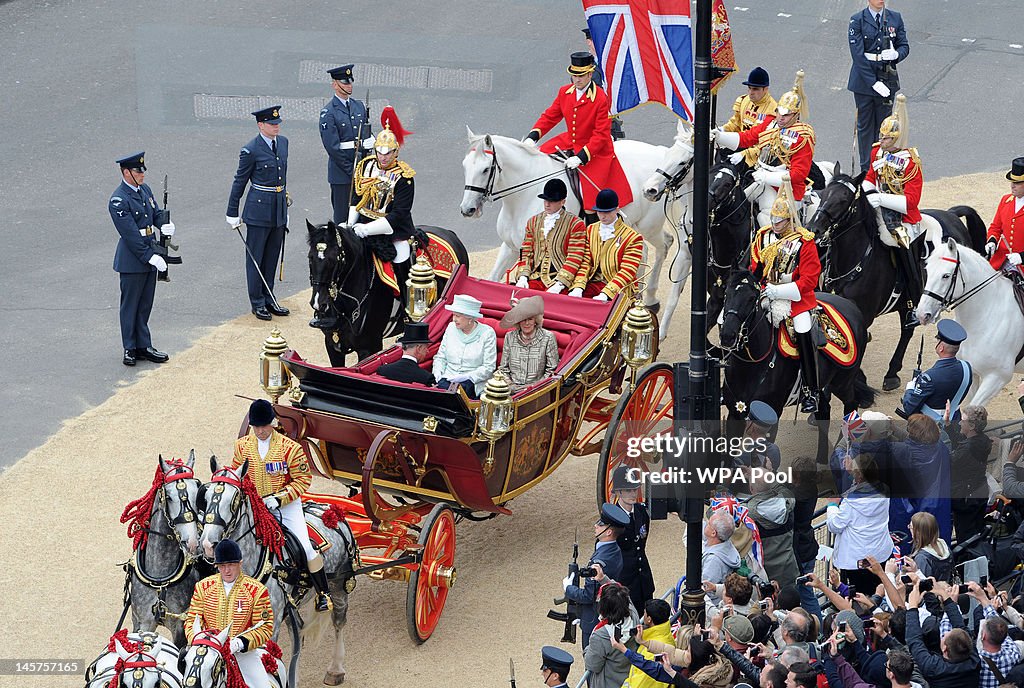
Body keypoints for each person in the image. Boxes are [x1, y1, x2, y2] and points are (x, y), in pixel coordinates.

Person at [233, 399, 331, 612]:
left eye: (264, 426)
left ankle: (324, 593)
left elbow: (303, 479)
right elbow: (237, 474)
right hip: (254, 504)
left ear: (273, 423)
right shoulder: (242, 446)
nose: (260, 431)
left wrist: (279, 498)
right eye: (256, 427)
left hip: (285, 505)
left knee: (305, 547)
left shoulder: (290, 449)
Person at [524, 52, 633, 214]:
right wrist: (533, 136)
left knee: (589, 198)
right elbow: (550, 116)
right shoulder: (565, 92)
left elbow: (601, 135)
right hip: (569, 141)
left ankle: (591, 226)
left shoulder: (600, 98)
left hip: (595, 150)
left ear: (590, 74)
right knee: (539, 160)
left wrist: (581, 157)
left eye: (581, 76)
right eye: (574, 76)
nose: (577, 80)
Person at [748, 180, 822, 412]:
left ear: (790, 219)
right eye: (773, 219)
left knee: (802, 330)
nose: (775, 225)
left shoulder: (804, 242)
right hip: (765, 292)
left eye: (779, 221)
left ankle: (811, 389)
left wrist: (779, 291)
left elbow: (810, 280)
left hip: (795, 299)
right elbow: (755, 267)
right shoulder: (763, 236)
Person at [713, 71, 816, 227]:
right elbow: (747, 137)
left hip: (785, 190)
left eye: (786, 115)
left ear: (796, 115)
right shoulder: (770, 123)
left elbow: (798, 174)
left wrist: (766, 177)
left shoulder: (803, 136)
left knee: (767, 219)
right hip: (761, 180)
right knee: (734, 203)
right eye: (779, 113)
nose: (780, 118)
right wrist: (720, 137)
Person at [862, 95, 924, 326]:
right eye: (881, 136)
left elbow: (911, 201)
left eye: (887, 138)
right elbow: (870, 176)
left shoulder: (911, 162)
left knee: (902, 246)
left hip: (902, 216)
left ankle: (913, 299)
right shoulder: (877, 151)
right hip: (878, 205)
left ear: (897, 139)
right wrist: (868, 192)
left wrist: (880, 198)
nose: (882, 141)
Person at [348, 106, 416, 312]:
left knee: (401, 258)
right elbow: (356, 195)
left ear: (396, 152)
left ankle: (407, 307)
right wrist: (350, 223)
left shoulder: (405, 176)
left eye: (388, 153)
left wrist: (367, 230)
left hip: (392, 229)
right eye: (380, 152)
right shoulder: (365, 165)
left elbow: (398, 214)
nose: (383, 157)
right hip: (362, 222)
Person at [226, 105, 290, 321]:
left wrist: (283, 207)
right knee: (256, 257)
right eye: (272, 124)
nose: (276, 127)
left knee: (271, 256)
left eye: (277, 123)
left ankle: (269, 296)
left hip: (277, 209)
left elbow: (282, 178)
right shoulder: (250, 150)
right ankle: (257, 302)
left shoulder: (283, 143)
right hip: (258, 210)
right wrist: (232, 211)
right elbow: (240, 181)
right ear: (260, 125)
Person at [109, 151, 173, 366]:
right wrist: (151, 257)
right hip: (132, 259)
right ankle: (129, 347)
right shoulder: (118, 200)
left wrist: (163, 223)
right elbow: (131, 235)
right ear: (126, 172)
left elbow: (153, 213)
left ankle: (143, 345)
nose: (142, 174)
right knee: (131, 306)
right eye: (138, 171)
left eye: (142, 170)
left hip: (150, 251)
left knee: (145, 304)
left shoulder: (144, 190)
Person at [185, 539, 274, 688]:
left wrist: (240, 643)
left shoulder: (257, 590)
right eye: (222, 566)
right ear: (217, 566)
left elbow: (265, 627)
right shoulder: (202, 587)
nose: (227, 570)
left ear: (240, 563)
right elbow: (191, 621)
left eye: (231, 565)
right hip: (208, 652)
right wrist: (201, 641)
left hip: (243, 654)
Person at [847, 0, 909, 174]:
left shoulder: (895, 18)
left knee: (885, 128)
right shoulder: (857, 20)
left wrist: (896, 54)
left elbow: (904, 45)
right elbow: (858, 56)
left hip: (887, 77)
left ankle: (882, 166)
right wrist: (873, 82)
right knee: (865, 128)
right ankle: (867, 170)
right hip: (864, 82)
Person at [563, 502, 630, 649]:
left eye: (600, 524)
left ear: (608, 532)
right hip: (602, 613)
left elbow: (588, 595)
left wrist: (568, 588)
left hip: (594, 618)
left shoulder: (602, 559)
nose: (595, 525)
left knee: (591, 662)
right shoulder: (613, 550)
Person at [826, 452, 892, 592]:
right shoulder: (885, 489)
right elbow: (862, 484)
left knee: (859, 597)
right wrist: (853, 471)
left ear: (859, 475)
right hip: (879, 553)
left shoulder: (851, 502)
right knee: (878, 591)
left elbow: (835, 525)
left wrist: (832, 506)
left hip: (857, 560)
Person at [319, 64, 374, 225]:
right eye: (344, 83)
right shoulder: (328, 112)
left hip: (363, 172)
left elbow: (365, 131)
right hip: (342, 174)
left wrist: (371, 140)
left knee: (365, 216)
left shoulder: (358, 106)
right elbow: (333, 148)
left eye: (350, 82)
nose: (349, 85)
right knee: (343, 220)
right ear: (335, 84)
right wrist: (352, 171)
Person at [513, 179, 587, 293]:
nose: (547, 204)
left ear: (562, 202)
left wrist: (560, 283)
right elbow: (526, 252)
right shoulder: (533, 221)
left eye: (552, 201)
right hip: (535, 278)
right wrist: (523, 276)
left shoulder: (575, 224)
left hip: (559, 281)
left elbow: (575, 257)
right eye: (545, 200)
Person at [569, 189, 644, 301]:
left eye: (607, 212)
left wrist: (607, 293)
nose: (603, 216)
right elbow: (586, 261)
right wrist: (579, 286)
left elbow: (627, 270)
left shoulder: (633, 237)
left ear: (617, 209)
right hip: (591, 283)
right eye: (600, 212)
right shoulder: (591, 229)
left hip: (618, 287)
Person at [905, 580, 980, 687]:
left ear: (944, 649)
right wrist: (945, 597)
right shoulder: (974, 660)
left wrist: (912, 606)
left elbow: (914, 641)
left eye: (944, 636)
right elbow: (961, 626)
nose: (944, 634)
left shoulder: (933, 668)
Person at [898, 320, 972, 423]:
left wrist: (910, 388)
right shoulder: (967, 368)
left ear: (941, 348)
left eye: (938, 341)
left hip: (930, 426)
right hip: (955, 422)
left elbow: (909, 408)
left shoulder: (928, 378)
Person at [432, 294, 497, 399]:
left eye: (458, 316)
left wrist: (467, 377)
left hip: (472, 384)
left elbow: (489, 368)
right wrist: (437, 373)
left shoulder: (487, 333)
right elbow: (441, 357)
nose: (454, 319)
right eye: (453, 315)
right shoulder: (451, 328)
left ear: (470, 317)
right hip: (446, 380)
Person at [744, 468, 799, 591]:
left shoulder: (747, 514)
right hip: (788, 570)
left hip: (765, 576)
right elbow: (782, 488)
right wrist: (766, 475)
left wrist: (724, 486)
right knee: (790, 607)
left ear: (751, 489)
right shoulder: (788, 501)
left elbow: (716, 514)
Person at [610, 466, 656, 609]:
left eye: (634, 489)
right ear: (618, 492)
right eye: (628, 490)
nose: (632, 494)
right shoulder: (612, 517)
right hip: (624, 582)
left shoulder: (642, 512)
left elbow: (642, 540)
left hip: (643, 579)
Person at [497, 295, 558, 392]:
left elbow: (552, 370)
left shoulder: (548, 337)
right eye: (523, 319)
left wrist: (533, 388)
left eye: (530, 319)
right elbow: (503, 368)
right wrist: (510, 384)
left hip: (537, 390)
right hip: (511, 388)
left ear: (535, 320)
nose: (526, 323)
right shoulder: (510, 336)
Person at [949, 405, 992, 543]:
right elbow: (963, 442)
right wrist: (948, 425)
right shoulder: (983, 439)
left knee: (965, 538)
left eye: (963, 420)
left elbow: (951, 461)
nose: (960, 422)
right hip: (979, 492)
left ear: (972, 425)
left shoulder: (967, 449)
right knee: (976, 532)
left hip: (966, 499)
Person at [585, 582, 639, 688]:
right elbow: (623, 596)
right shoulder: (633, 615)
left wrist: (587, 649)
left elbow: (593, 665)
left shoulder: (600, 636)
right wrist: (603, 579)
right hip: (629, 677)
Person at [722, 66, 777, 168]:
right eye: (749, 88)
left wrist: (745, 154)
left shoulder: (772, 111)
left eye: (755, 89)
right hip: (740, 144)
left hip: (759, 154)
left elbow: (766, 145)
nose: (751, 92)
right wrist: (722, 130)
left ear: (765, 89)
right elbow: (735, 124)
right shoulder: (743, 100)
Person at [790, 456, 822, 623]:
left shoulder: (795, 496)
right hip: (808, 547)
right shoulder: (812, 487)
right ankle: (819, 628)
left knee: (798, 595)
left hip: (798, 552)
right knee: (808, 594)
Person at [618, 599, 675, 688]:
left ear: (649, 619)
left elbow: (640, 684)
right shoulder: (665, 635)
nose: (643, 615)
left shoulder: (651, 652)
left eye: (644, 613)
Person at [582, 27, 626, 141]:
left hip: (610, 118)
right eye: (595, 41)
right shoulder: (583, 65)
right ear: (589, 42)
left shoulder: (611, 61)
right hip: (592, 118)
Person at [983, 156, 1024, 273]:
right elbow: (995, 227)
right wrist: (992, 241)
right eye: (1012, 182)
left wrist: (1022, 257)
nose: (1012, 185)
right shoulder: (1005, 200)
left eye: (1017, 183)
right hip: (1001, 260)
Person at [701, 511, 741, 606]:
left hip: (712, 607)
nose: (706, 523)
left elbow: (705, 589)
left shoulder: (714, 560)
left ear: (713, 533)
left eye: (709, 523)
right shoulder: (726, 543)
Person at [909, 512, 952, 582]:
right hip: (947, 589)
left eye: (910, 527)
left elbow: (923, 584)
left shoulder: (921, 558)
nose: (909, 529)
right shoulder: (943, 545)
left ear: (918, 532)